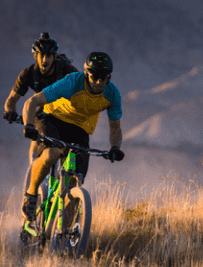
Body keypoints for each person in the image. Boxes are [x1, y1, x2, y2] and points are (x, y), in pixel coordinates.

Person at [20, 51, 125, 222]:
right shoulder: (72, 82)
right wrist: (29, 125)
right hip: (52, 119)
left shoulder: (112, 94)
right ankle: (31, 194)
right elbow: (32, 102)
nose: (99, 82)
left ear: (109, 77)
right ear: (86, 74)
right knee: (52, 153)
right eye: (95, 77)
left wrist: (115, 148)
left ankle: (64, 233)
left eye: (104, 77)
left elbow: (115, 127)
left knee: (76, 180)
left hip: (79, 130)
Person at [3, 32, 78, 124]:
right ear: (35, 56)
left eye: (48, 55)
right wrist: (10, 112)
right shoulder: (28, 73)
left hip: (66, 110)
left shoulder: (67, 70)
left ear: (55, 57)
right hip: (44, 109)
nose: (45, 60)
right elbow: (11, 100)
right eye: (41, 55)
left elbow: (83, 88)